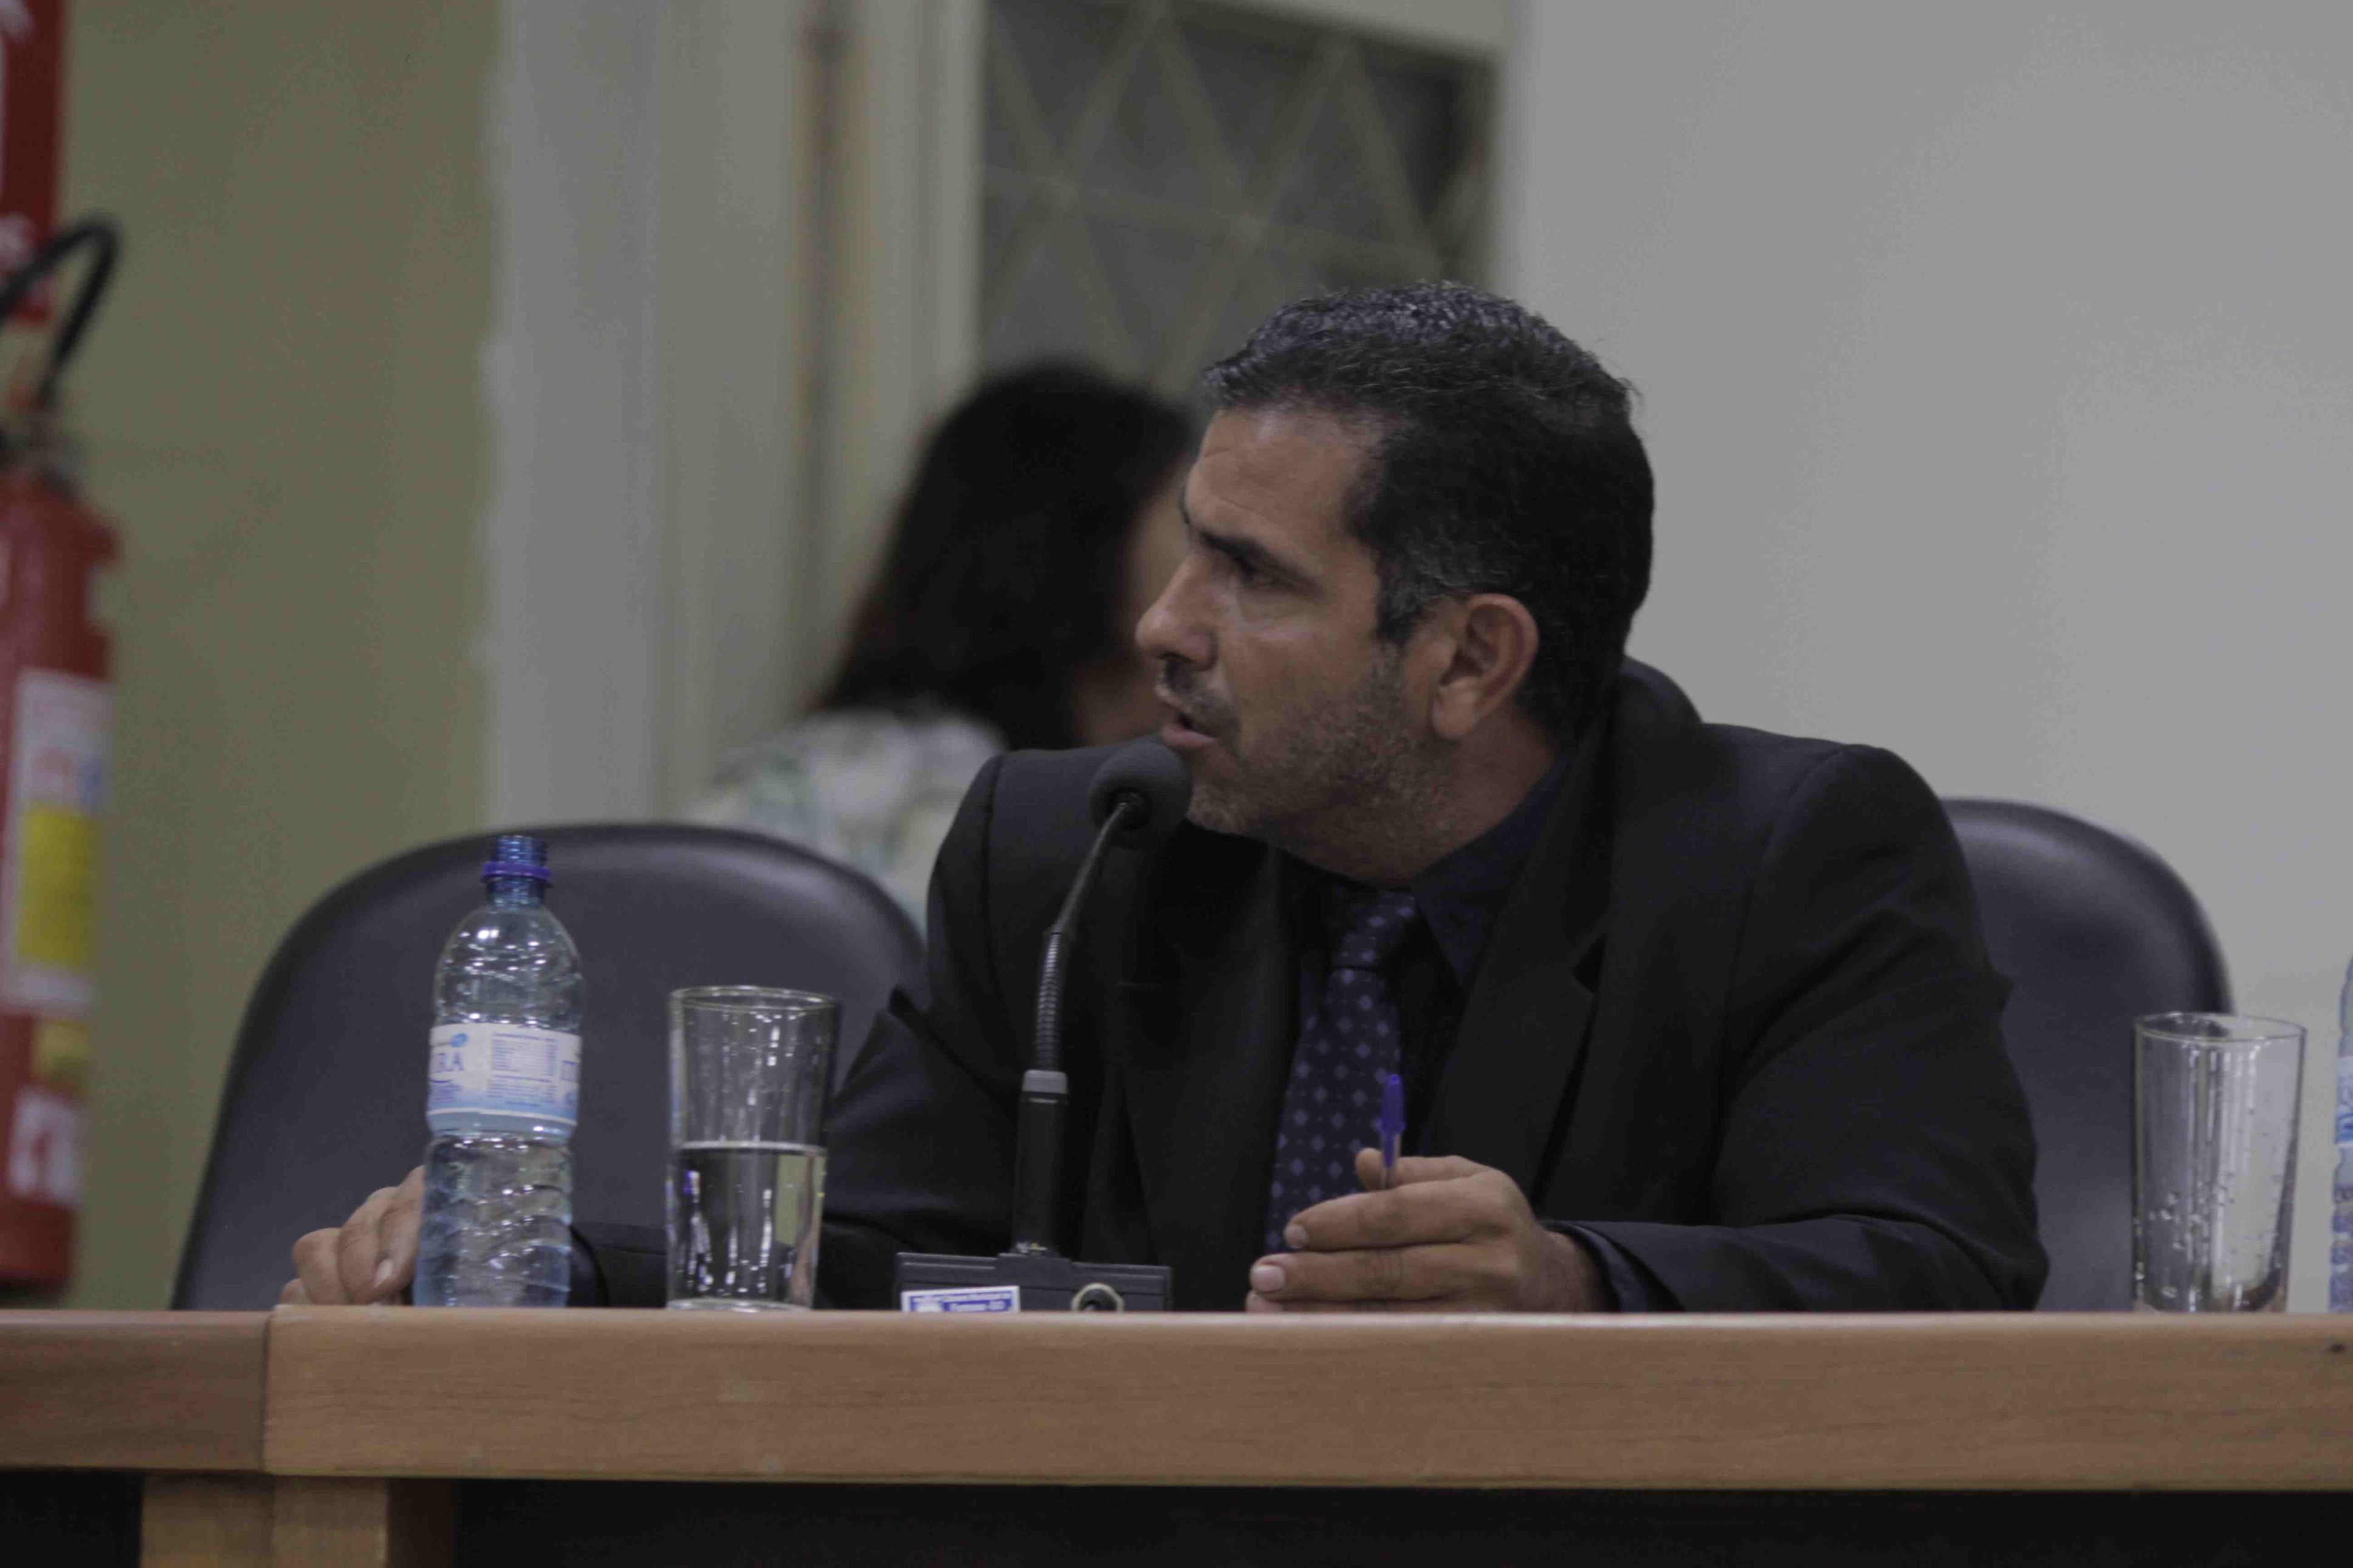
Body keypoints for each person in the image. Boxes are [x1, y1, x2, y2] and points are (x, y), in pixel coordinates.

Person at [286, 284, 2044, 1314]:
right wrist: (550, 1266)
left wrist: (1574, 1282)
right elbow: (883, 1256)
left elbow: (1941, 1267)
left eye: (1252, 575)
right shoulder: (1074, 851)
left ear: (1469, 659)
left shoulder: (1786, 858)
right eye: (1188, 546)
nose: (1161, 628)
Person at [691, 362, 1194, 928]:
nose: (1211, 566)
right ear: (1081, 544)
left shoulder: (1165, 805)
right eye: (1188, 523)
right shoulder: (866, 792)